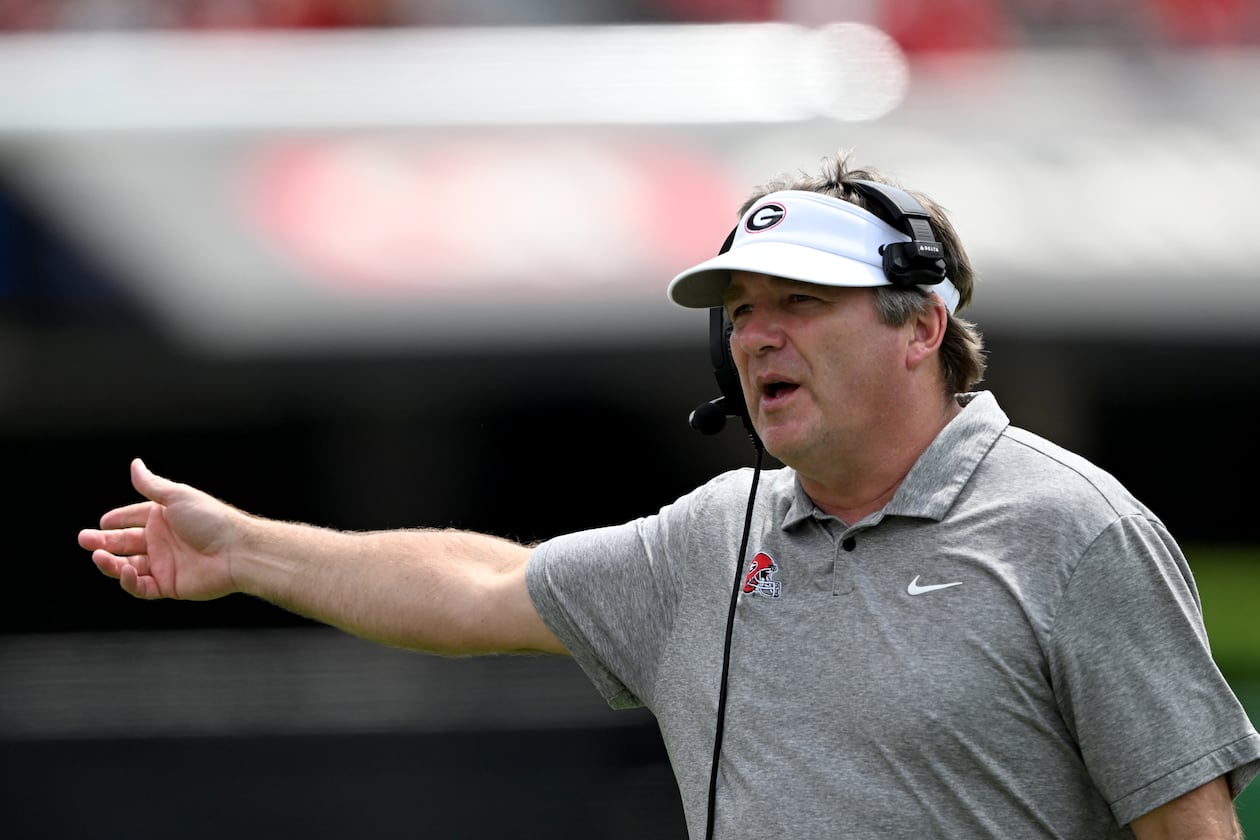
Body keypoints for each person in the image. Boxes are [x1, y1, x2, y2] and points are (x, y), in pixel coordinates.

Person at [79, 150, 1260, 839]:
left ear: (923, 329)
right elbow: (482, 582)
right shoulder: (716, 537)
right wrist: (244, 550)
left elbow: (1189, 829)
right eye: (739, 310)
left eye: (800, 303)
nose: (756, 336)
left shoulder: (1074, 528)